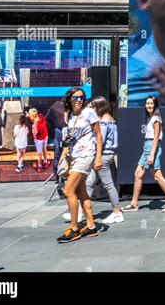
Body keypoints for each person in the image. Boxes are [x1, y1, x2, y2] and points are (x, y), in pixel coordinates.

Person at [57, 87, 103, 243]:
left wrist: (98, 157)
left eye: (82, 97)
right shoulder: (70, 115)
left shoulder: (89, 112)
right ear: (70, 99)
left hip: (86, 155)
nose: (79, 100)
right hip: (75, 155)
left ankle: (74, 228)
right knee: (82, 192)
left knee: (68, 190)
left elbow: (98, 134)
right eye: (76, 97)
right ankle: (91, 226)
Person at [123, 96, 165, 213]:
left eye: (151, 104)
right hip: (147, 147)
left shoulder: (156, 118)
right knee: (138, 174)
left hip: (152, 147)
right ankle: (134, 203)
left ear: (155, 105)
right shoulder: (151, 117)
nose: (149, 106)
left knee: (157, 175)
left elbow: (156, 137)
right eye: (147, 103)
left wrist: (152, 154)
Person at [84, 96, 124, 224]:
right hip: (105, 155)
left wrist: (97, 158)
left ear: (99, 106)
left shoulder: (104, 122)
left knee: (108, 184)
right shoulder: (110, 119)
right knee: (89, 183)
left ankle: (117, 212)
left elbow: (100, 140)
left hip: (102, 156)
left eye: (92, 106)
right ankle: (81, 211)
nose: (90, 109)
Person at [28, 108, 50, 173]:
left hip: (39, 139)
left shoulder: (35, 125)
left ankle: (40, 166)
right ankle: (45, 162)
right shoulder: (40, 116)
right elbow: (35, 119)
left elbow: (35, 134)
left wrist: (32, 131)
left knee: (39, 153)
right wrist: (29, 116)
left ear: (32, 116)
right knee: (44, 148)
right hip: (45, 135)